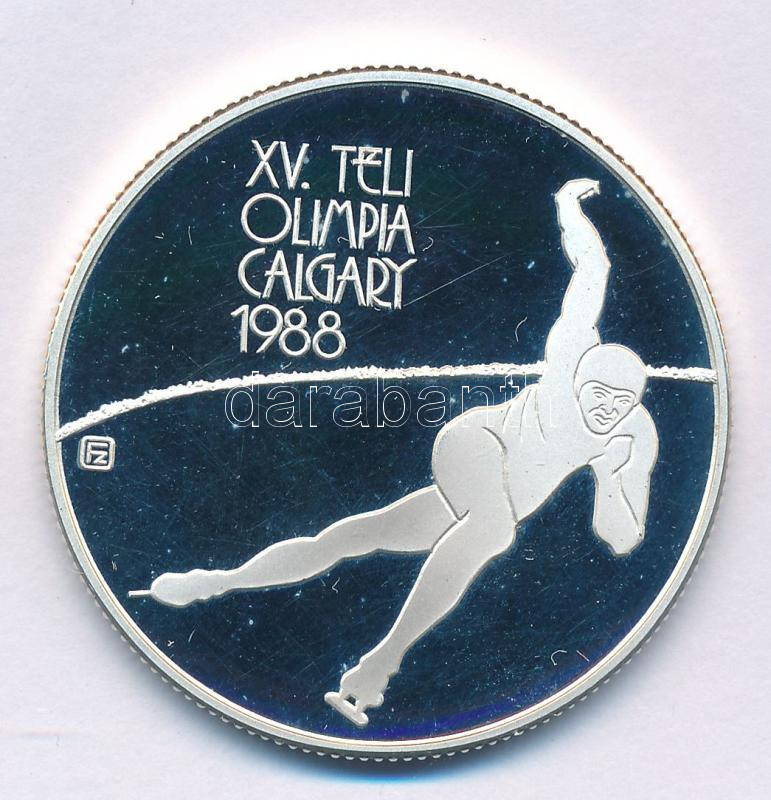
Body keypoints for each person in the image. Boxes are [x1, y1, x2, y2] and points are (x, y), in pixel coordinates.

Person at [131, 178, 659, 727]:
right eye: (598, 395)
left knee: (352, 538)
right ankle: (380, 665)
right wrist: (566, 205)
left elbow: (622, 538)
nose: (607, 410)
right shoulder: (569, 356)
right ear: (577, 381)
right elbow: (592, 269)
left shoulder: (634, 436)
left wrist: (614, 479)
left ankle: (216, 581)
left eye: (621, 402)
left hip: (488, 498)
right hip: (474, 446)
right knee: (492, 530)